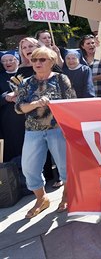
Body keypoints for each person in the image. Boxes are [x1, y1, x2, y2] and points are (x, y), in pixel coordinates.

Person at [15, 46, 76, 218]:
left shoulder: (61, 79)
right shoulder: (26, 83)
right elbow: (19, 108)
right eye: (34, 60)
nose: (37, 63)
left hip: (58, 129)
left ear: (52, 61)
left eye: (42, 59)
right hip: (33, 130)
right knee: (29, 168)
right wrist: (35, 104)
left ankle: (66, 194)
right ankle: (41, 199)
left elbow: (72, 102)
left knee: (65, 166)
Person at [0, 50, 26, 165]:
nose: (8, 63)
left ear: (17, 60)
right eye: (4, 61)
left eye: (11, 60)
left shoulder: (26, 73)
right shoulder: (0, 77)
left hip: (27, 118)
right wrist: (6, 97)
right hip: (8, 120)